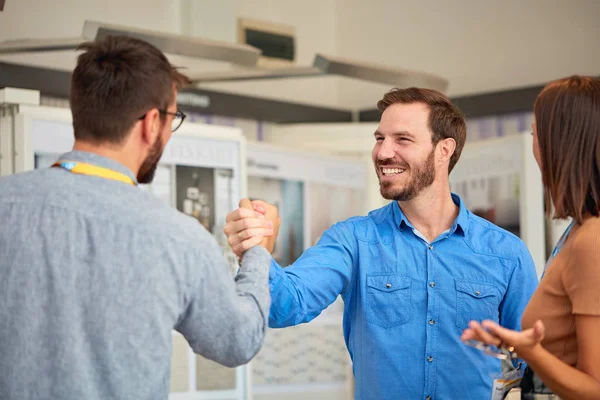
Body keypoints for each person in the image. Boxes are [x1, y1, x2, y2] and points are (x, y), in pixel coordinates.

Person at [0, 35, 277, 400]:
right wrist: (258, 252)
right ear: (150, 123)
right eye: (171, 119)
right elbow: (237, 341)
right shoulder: (178, 239)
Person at [224, 87, 539, 399]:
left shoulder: (506, 254)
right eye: (379, 138)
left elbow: (531, 363)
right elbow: (284, 307)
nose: (383, 152)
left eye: (402, 139)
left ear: (444, 150)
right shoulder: (353, 241)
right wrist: (256, 251)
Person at [461, 76, 600, 400]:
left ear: (559, 142)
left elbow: (595, 388)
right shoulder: (578, 232)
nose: (534, 143)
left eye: (537, 133)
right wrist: (510, 344)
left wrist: (530, 350)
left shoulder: (590, 242)